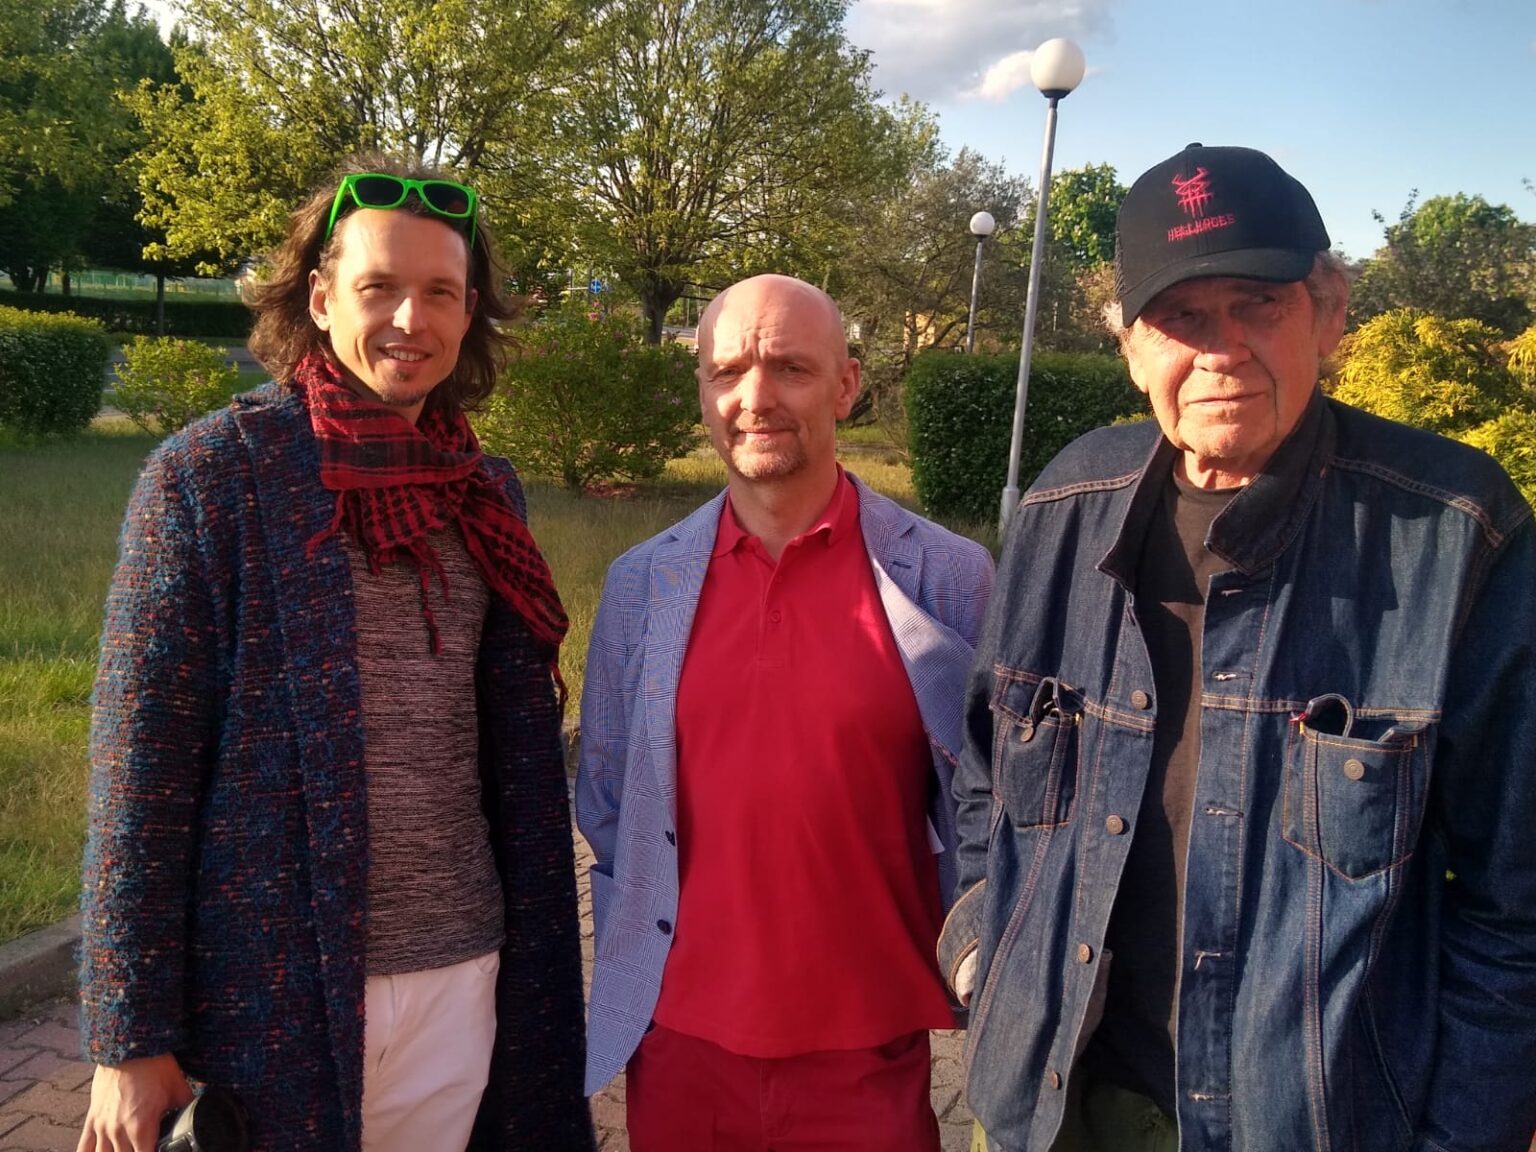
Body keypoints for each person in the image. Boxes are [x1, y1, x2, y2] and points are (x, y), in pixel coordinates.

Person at [942, 143, 1536, 1152]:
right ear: (1133, 349)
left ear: (1329, 314)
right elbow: (985, 774)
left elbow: (1515, 910)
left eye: (1257, 304)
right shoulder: (1064, 504)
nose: (1220, 350)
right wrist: (981, 951)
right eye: (1180, 317)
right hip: (1049, 1110)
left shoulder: (1454, 533)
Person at [77, 157, 594, 1152]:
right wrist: (129, 1034)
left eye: (439, 292)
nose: (410, 318)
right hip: (271, 989)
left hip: (461, 972)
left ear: (469, 312)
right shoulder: (213, 477)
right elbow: (141, 770)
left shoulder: (484, 492)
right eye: (378, 286)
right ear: (320, 298)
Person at [575, 274, 993, 1150]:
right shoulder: (641, 584)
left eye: (790, 368)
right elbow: (608, 800)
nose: (755, 397)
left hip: (871, 1050)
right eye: (728, 371)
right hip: (679, 1048)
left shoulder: (948, 578)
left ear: (846, 384)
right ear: (703, 391)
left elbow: (988, 800)